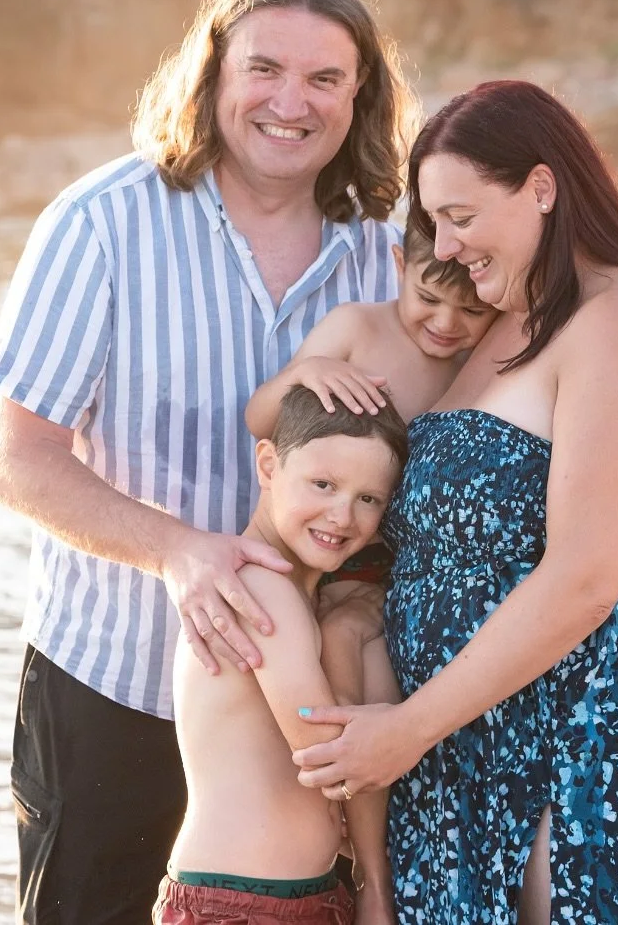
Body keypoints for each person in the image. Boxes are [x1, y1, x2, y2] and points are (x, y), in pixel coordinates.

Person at [0, 0, 419, 925]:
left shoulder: (387, 256)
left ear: (360, 98)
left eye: (324, 78)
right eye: (263, 68)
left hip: (307, 731)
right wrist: (180, 553)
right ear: (213, 74)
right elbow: (20, 462)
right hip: (116, 684)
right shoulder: (101, 223)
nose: (289, 101)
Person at [290, 80, 618, 924]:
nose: (448, 245)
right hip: (466, 740)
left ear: (541, 187)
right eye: (434, 223)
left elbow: (588, 577)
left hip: (587, 734)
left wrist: (410, 727)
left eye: (462, 215)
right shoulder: (495, 323)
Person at [154, 385, 409, 925]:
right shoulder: (259, 587)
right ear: (269, 464)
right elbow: (327, 756)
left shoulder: (302, 594)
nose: (342, 515)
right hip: (236, 905)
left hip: (296, 894)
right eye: (323, 484)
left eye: (369, 499)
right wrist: (350, 636)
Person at [245, 213, 498, 435]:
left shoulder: (481, 357)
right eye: (428, 298)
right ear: (401, 265)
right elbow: (259, 421)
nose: (445, 324)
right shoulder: (355, 327)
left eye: (472, 311)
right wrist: (304, 373)